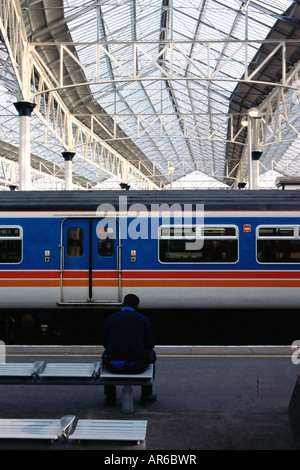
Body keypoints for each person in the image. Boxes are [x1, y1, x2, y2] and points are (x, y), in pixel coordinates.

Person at [102, 293, 157, 406]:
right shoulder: (143, 320)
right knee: (152, 354)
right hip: (136, 366)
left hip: (113, 366)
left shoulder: (111, 319)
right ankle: (146, 395)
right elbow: (150, 345)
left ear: (122, 305)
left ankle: (110, 397)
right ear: (137, 306)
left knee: (105, 354)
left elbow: (105, 344)